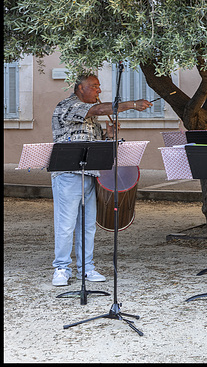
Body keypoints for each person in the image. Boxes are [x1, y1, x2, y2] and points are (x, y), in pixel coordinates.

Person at [51, 73, 152, 286]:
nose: (98, 90)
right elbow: (98, 109)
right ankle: (61, 268)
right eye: (94, 86)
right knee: (66, 225)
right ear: (79, 88)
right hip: (68, 175)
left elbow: (97, 148)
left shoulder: (92, 119)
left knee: (87, 226)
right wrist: (132, 104)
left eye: (99, 86)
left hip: (90, 175)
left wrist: (109, 136)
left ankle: (86, 268)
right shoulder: (68, 106)